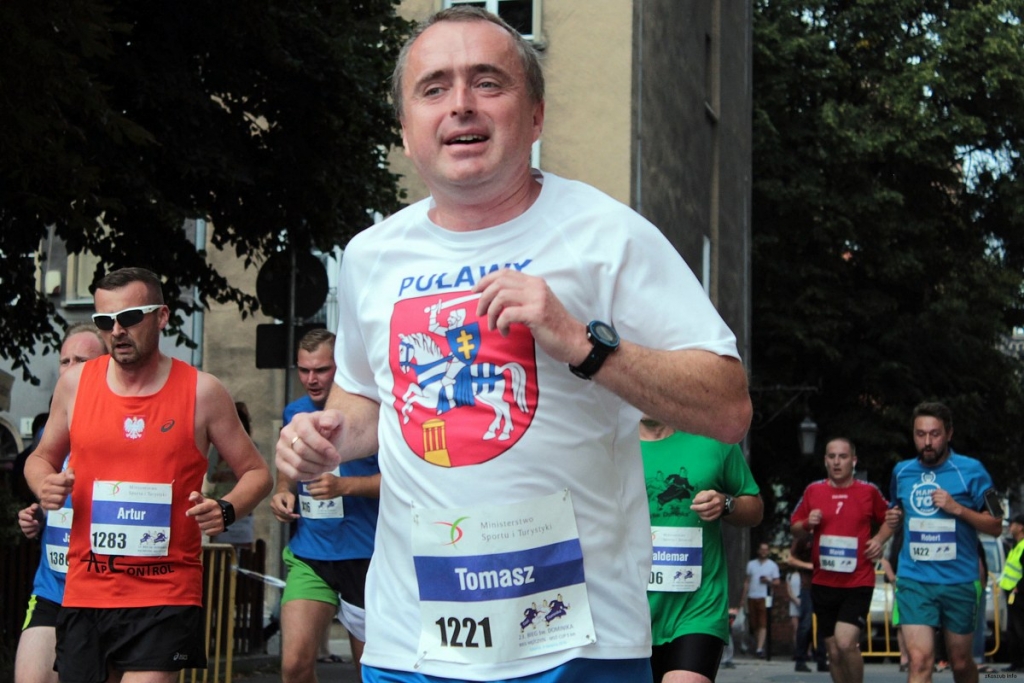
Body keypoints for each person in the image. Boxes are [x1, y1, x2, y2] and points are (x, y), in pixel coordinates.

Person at [275, 6, 752, 682]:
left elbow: (729, 406)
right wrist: (325, 434)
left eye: (488, 82)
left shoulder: (606, 235)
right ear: (406, 130)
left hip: (576, 646)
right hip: (413, 642)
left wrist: (583, 343)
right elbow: (368, 401)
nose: (461, 105)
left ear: (535, 116)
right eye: (434, 88)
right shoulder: (371, 256)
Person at [24, 266, 273, 683]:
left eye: (129, 317)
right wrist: (43, 484)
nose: (117, 331)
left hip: (165, 591)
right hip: (86, 589)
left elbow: (257, 473)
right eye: (105, 321)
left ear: (161, 316)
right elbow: (40, 459)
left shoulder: (202, 391)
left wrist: (226, 509)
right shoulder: (75, 386)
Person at [271, 328, 380, 681]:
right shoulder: (295, 412)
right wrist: (283, 490)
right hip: (311, 553)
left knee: (370, 671)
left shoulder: (373, 413)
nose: (311, 379)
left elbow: (398, 483)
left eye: (321, 370)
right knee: (294, 666)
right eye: (304, 370)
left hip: (366, 557)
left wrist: (344, 486)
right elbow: (288, 466)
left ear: (341, 366)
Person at [14, 323, 108, 683]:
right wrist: (38, 514)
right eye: (65, 361)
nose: (70, 369)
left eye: (81, 360)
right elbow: (50, 488)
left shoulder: (125, 426)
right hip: (53, 588)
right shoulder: (51, 432)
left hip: (108, 594)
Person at [884, 401, 1003, 683]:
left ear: (949, 434)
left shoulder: (973, 471)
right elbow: (895, 512)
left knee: (960, 663)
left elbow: (997, 525)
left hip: (958, 580)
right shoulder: (902, 472)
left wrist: (957, 508)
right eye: (920, 434)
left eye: (934, 434)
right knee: (919, 662)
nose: (927, 442)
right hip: (914, 579)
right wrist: (886, 527)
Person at [640, 416, 762, 683]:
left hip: (698, 605)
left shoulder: (713, 439)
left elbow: (754, 508)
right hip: (630, 607)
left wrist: (726, 503)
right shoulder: (610, 444)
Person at [790, 437, 891, 683]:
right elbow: (795, 528)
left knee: (845, 642)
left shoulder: (868, 491)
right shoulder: (814, 490)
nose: (837, 462)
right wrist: (807, 523)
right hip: (823, 582)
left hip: (858, 581)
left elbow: (891, 517)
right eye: (832, 457)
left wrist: (879, 540)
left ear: (853, 461)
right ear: (825, 460)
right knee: (833, 651)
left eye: (843, 457)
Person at [204, 401, 258, 550]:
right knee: (221, 548)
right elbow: (211, 475)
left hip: (243, 505)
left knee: (243, 546)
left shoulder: (252, 448)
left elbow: (255, 476)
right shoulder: (218, 449)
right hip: (223, 502)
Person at [741, 543, 780, 659]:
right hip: (752, 596)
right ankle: (759, 645)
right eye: (762, 549)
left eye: (766, 550)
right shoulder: (751, 564)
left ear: (768, 551)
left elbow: (777, 582)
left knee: (763, 622)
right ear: (758, 551)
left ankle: (759, 648)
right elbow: (747, 581)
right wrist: (743, 598)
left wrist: (768, 580)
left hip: (765, 596)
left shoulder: (772, 565)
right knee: (754, 623)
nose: (764, 551)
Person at [998, 513, 1024, 672]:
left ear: (1021, 527)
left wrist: (1019, 587)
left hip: (1019, 594)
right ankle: (1017, 662)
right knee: (1013, 628)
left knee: (1020, 628)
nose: (1009, 526)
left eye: (1012, 524)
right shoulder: (1016, 545)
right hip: (1011, 594)